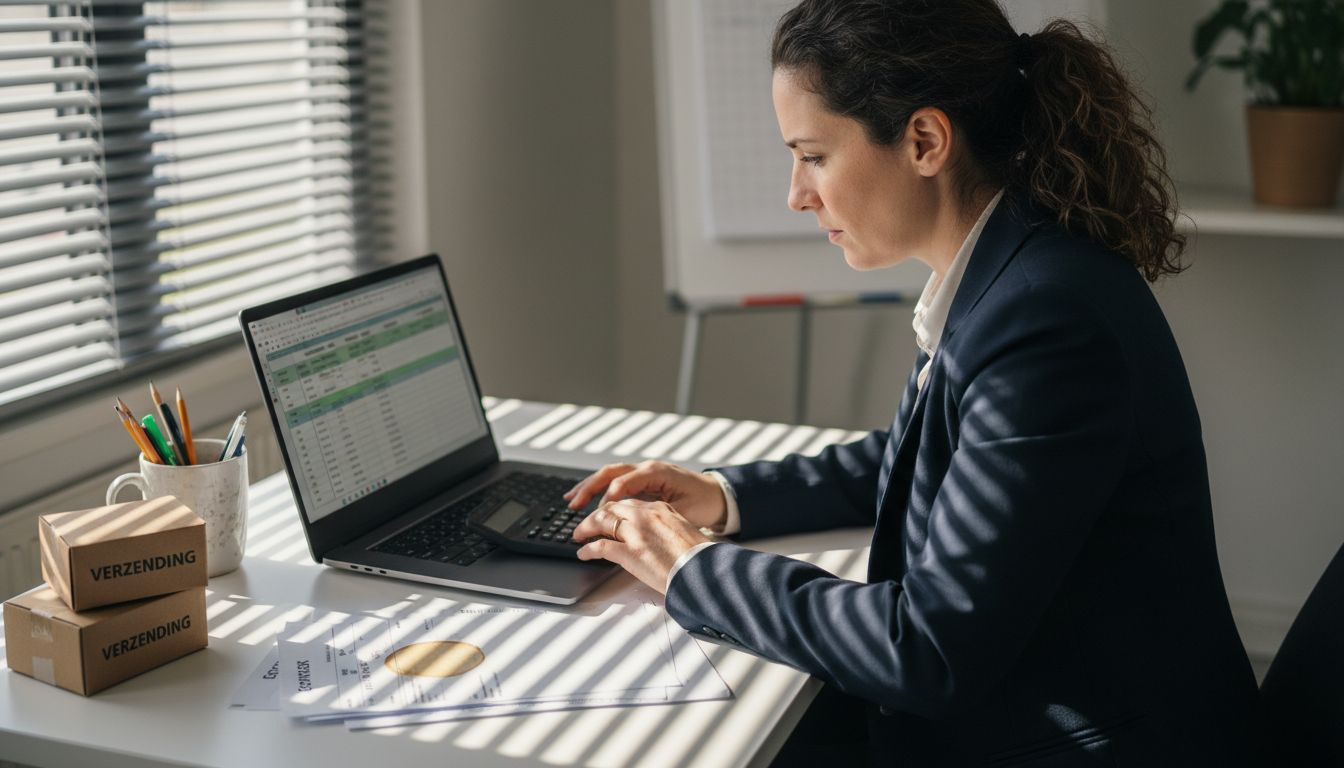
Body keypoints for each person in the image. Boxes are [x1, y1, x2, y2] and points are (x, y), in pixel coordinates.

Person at [566, 0, 1265, 764]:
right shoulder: (1015, 268)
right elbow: (921, 456)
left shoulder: (1045, 319)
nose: (796, 194)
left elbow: (927, 649)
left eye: (814, 155)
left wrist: (689, 566)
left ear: (925, 141)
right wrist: (724, 496)